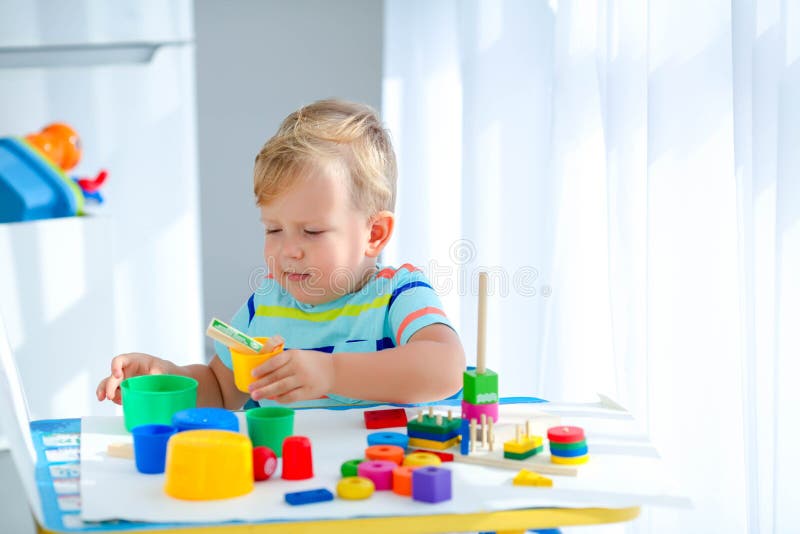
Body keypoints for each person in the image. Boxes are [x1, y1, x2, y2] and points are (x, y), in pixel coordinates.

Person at [97, 99, 465, 410]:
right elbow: (221, 390)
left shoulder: (398, 295)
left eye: (312, 231)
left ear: (375, 233)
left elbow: (446, 368)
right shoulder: (266, 306)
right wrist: (165, 380)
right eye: (273, 229)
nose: (288, 250)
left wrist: (332, 372)